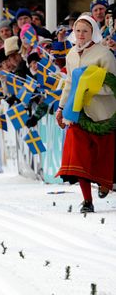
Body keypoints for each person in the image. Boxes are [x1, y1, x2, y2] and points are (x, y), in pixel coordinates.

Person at [55, 15, 116, 213]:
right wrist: (61, 107)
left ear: (93, 33)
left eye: (85, 31)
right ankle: (87, 200)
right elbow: (70, 83)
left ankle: (105, 182)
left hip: (102, 113)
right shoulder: (71, 54)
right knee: (78, 155)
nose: (81, 35)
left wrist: (89, 90)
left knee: (102, 156)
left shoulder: (104, 54)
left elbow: (112, 84)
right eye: (78, 30)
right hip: (77, 113)